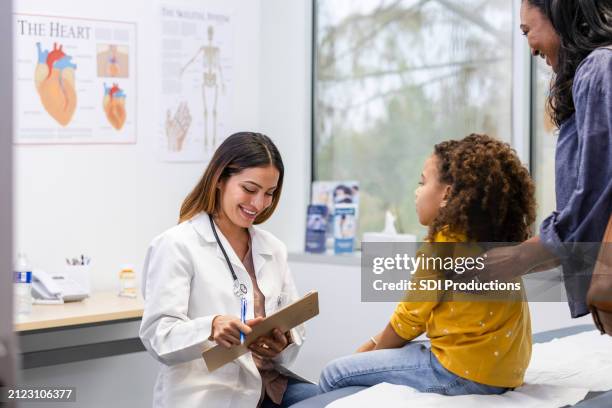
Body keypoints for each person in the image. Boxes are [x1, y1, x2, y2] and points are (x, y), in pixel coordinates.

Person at [316, 134, 535, 397]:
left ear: (448, 194)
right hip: (505, 372)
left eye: (422, 182)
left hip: (463, 374)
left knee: (334, 373)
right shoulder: (489, 238)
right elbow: (424, 314)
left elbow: (410, 318)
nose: (416, 191)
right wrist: (374, 346)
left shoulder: (445, 239)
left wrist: (370, 353)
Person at [139, 132, 318, 407]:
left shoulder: (274, 248)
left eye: (269, 193)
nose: (258, 204)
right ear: (220, 179)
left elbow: (297, 329)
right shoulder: (177, 245)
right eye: (249, 189)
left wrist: (283, 342)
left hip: (269, 387)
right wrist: (210, 327)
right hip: (209, 394)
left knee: (340, 398)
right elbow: (158, 336)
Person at [475, 0, 612, 318]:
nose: (531, 49)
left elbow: (599, 189)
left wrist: (523, 256)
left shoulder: (599, 68)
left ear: (558, 12)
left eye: (527, 31)